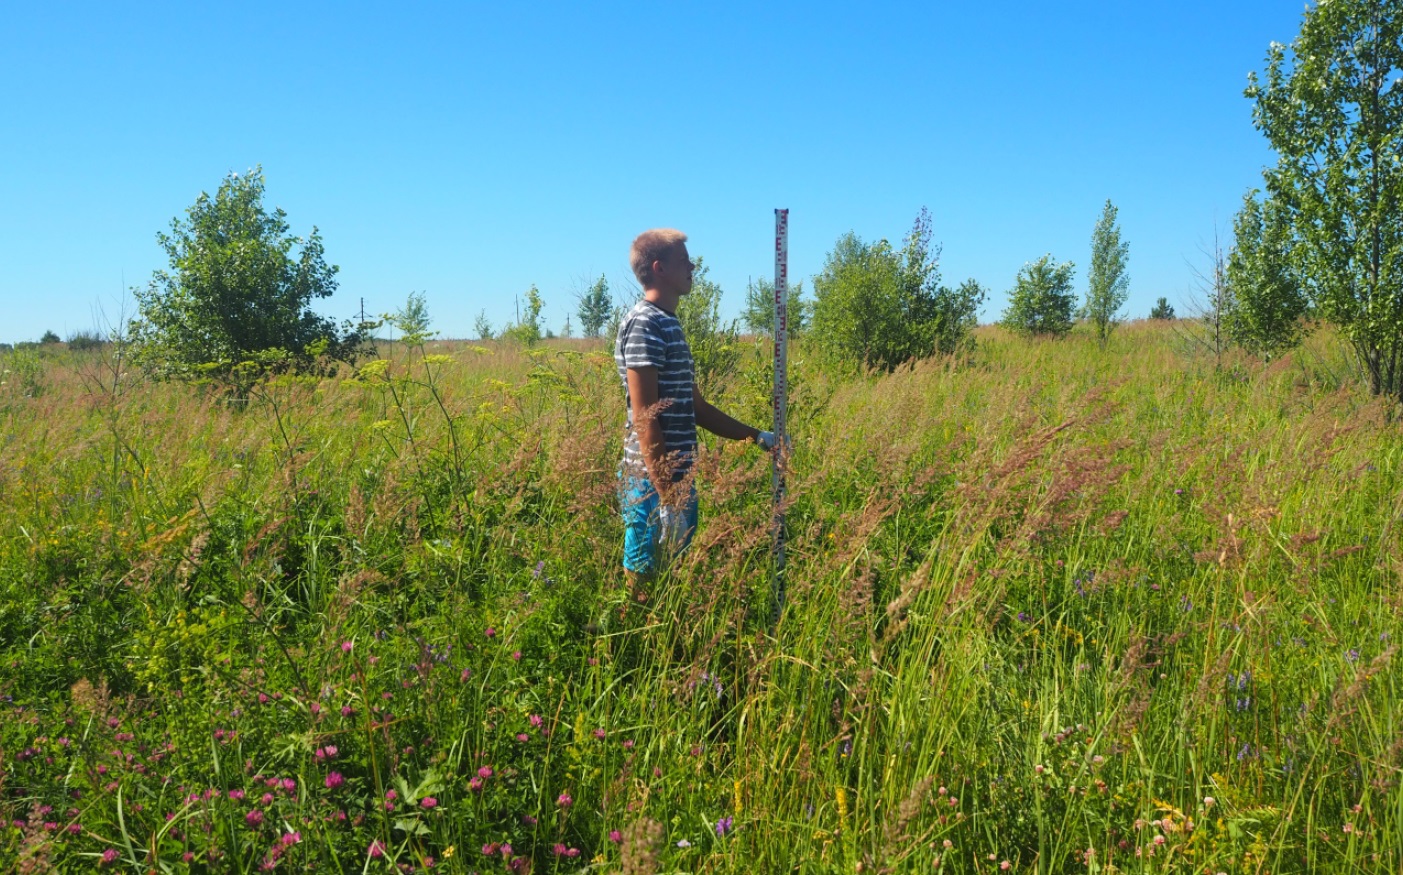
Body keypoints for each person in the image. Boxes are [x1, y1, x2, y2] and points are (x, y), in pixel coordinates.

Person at [615, 229, 776, 592]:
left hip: (676, 480)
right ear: (659, 268)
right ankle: (635, 648)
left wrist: (757, 437)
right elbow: (646, 418)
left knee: (668, 585)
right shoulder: (646, 323)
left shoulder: (668, 323)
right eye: (684, 260)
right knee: (642, 584)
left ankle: (661, 648)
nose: (692, 266)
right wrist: (666, 497)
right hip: (650, 482)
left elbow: (697, 408)